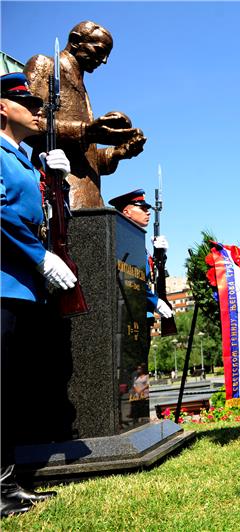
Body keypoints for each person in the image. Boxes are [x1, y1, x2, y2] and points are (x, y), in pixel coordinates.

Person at [1, 72, 76, 517]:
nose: (37, 109)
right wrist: (38, 256)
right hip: (6, 283)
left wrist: (56, 181)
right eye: (25, 102)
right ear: (2, 108)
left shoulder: (25, 160)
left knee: (13, 390)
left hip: (25, 288)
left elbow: (46, 216)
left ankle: (10, 482)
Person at [24, 20, 146, 209]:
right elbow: (27, 122)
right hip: (59, 196)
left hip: (89, 204)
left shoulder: (83, 87)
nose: (104, 60)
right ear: (75, 41)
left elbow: (85, 158)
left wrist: (118, 153)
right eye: (99, 50)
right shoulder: (45, 64)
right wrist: (85, 130)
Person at [107, 188, 173, 344]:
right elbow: (131, 277)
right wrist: (154, 300)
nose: (148, 212)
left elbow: (149, 276)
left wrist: (160, 255)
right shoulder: (123, 239)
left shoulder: (138, 243)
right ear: (127, 212)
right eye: (142, 208)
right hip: (128, 312)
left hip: (142, 313)